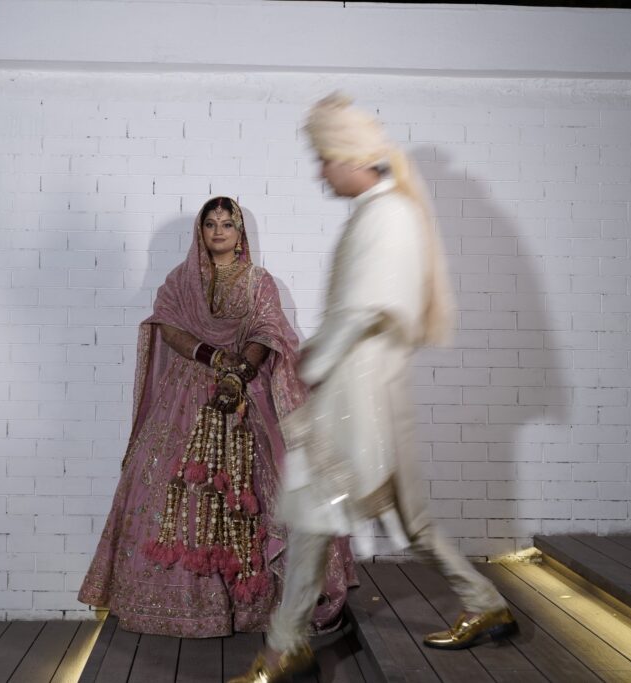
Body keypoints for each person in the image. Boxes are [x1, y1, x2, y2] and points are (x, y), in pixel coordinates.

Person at [230, 95, 516, 683]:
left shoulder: (386, 215)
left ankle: (285, 649)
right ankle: (484, 603)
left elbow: (365, 309)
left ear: (348, 156)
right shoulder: (385, 211)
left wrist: (315, 360)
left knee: (313, 515)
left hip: (359, 395)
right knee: (411, 518)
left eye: (323, 159)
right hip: (374, 391)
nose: (319, 172)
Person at [78, 196, 355, 638]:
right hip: (185, 394)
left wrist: (239, 370)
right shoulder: (179, 281)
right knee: (165, 489)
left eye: (229, 224)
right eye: (211, 224)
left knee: (259, 491)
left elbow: (267, 331)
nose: (220, 231)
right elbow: (167, 326)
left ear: (241, 232)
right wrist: (212, 357)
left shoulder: (258, 283)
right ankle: (175, 606)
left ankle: (256, 605)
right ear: (200, 232)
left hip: (244, 395)